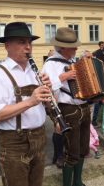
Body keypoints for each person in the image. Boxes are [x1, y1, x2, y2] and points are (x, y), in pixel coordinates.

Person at [0, 22, 52, 186]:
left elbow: (46, 105)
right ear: (7, 45)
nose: (28, 47)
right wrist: (30, 101)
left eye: (29, 42)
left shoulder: (35, 72)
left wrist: (49, 94)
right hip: (14, 142)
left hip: (39, 137)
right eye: (21, 42)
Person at [41, 27, 90, 186]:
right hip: (68, 110)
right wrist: (63, 77)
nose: (76, 48)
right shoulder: (50, 63)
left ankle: (78, 181)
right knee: (71, 151)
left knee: (83, 149)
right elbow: (45, 88)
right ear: (62, 47)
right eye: (73, 46)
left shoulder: (73, 62)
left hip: (83, 107)